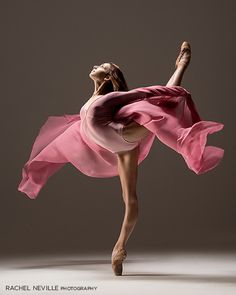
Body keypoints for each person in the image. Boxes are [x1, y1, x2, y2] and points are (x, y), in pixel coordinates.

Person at [18, 41, 224, 276]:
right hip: (116, 147)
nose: (96, 64)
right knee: (129, 198)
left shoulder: (112, 97)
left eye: (103, 65)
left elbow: (146, 93)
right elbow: (93, 108)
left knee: (162, 106)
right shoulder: (94, 97)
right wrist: (99, 85)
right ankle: (119, 249)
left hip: (122, 136)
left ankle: (180, 67)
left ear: (109, 77)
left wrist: (178, 90)